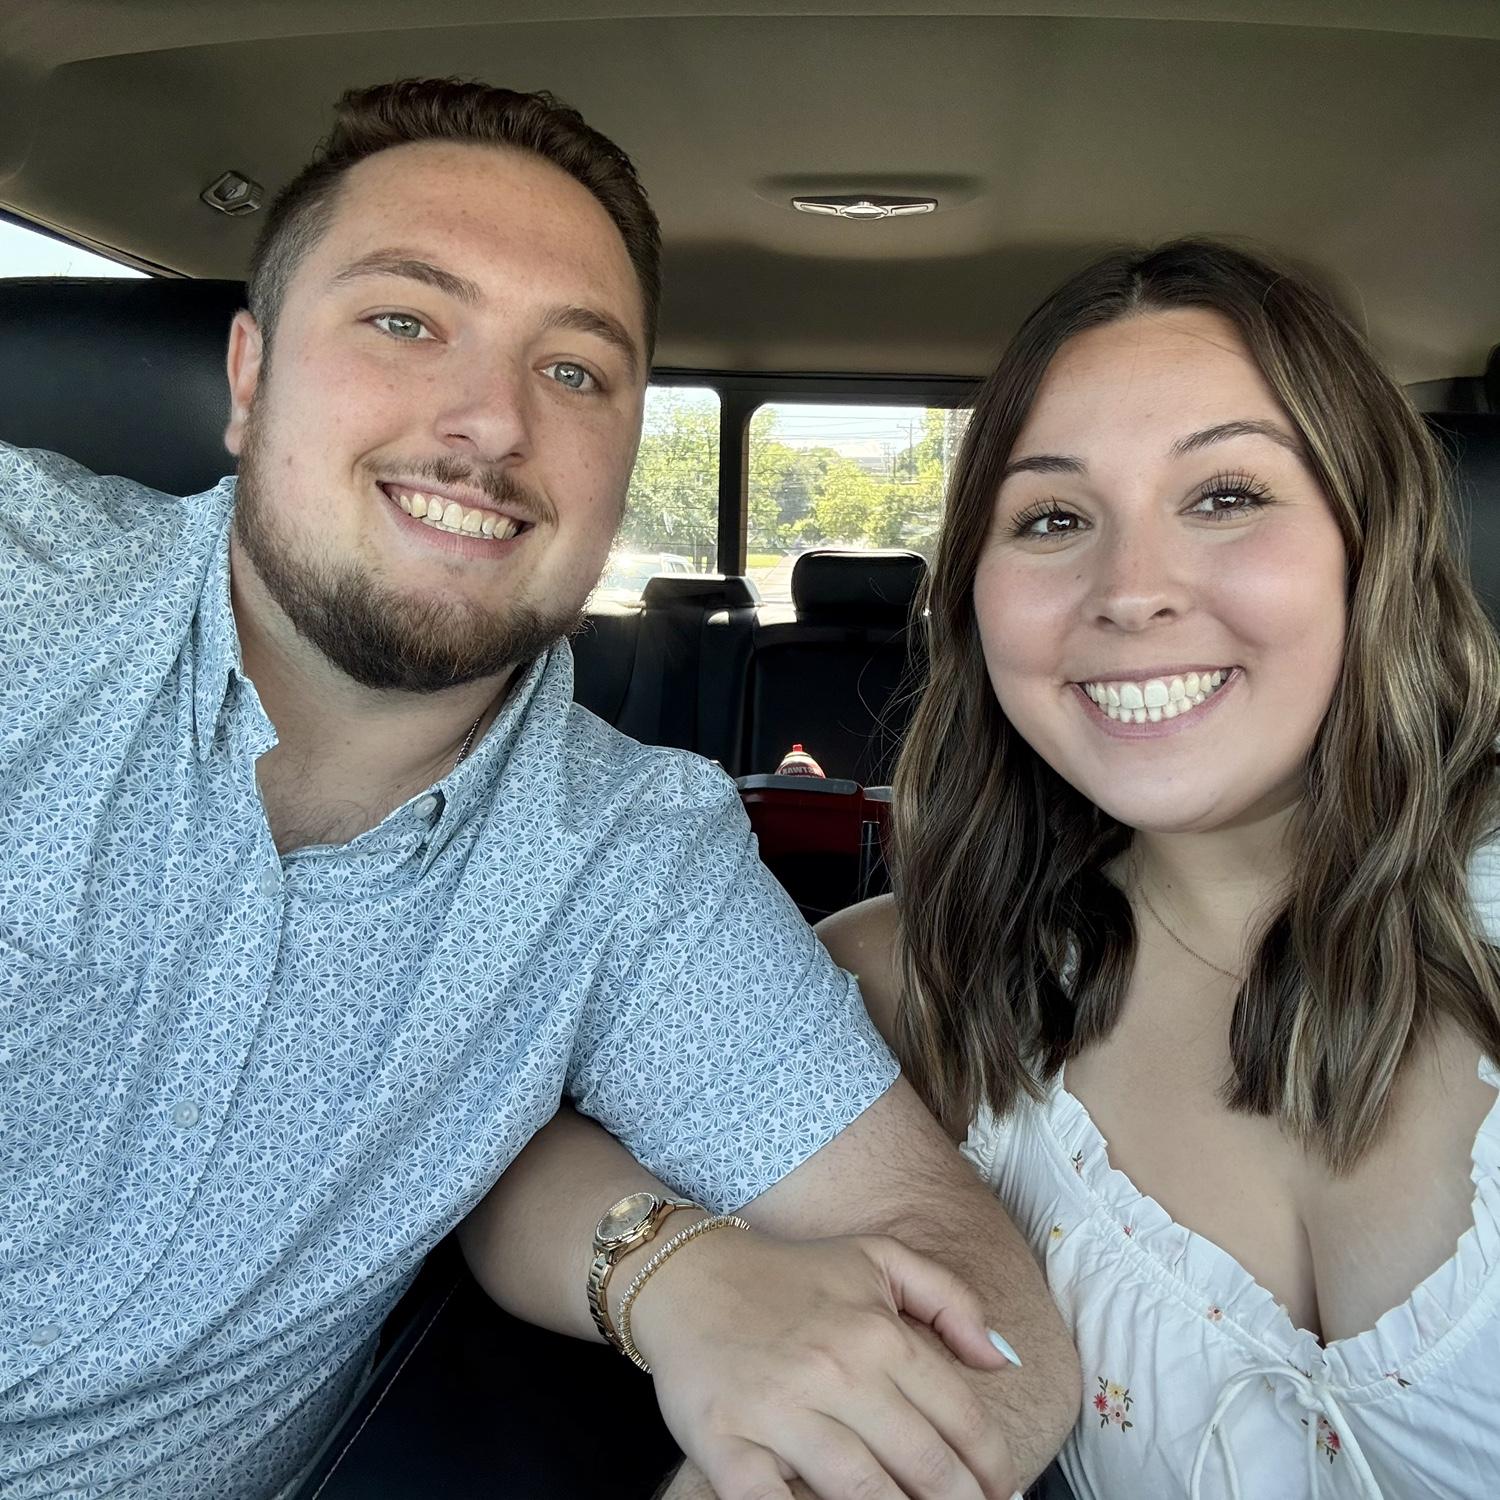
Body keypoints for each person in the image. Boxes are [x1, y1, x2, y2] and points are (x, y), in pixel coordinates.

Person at [0, 78, 1078, 1499]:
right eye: (405, 321)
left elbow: (979, 1304)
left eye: (575, 372)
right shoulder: (28, 592)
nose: (491, 422)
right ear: (250, 376)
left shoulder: (635, 863)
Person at [483, 239, 1500, 1499]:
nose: (1131, 591)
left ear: (1371, 539)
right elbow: (487, 1134)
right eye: (1054, 518)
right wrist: (676, 1273)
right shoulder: (925, 972)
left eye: (1227, 495)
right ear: (975, 593)